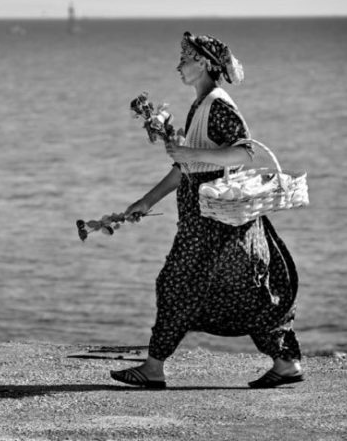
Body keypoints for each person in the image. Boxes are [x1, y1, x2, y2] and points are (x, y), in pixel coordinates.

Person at [110, 32, 303, 389]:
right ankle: (285, 363)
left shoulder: (217, 104)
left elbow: (245, 152)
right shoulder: (200, 105)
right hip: (208, 226)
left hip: (217, 228)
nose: (178, 65)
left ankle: (154, 368)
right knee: (242, 293)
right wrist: (147, 201)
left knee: (179, 287)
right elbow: (186, 169)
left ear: (202, 63)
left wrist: (189, 153)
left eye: (184, 58)